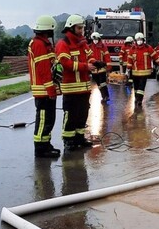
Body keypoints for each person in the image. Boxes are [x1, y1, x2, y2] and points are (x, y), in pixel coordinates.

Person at [55, 14, 105, 149]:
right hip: (70, 87)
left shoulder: (82, 43)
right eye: (79, 28)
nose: (81, 31)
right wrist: (85, 67)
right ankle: (68, 140)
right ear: (71, 28)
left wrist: (95, 62)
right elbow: (65, 63)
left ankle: (79, 138)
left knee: (83, 113)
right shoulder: (63, 44)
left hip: (84, 87)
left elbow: (89, 56)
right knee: (70, 115)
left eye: (82, 28)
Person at [27, 15, 62, 158]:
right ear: (49, 29)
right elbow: (43, 69)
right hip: (43, 90)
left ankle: (46, 144)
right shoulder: (39, 44)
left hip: (46, 89)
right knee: (43, 120)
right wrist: (50, 89)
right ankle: (40, 149)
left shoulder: (44, 43)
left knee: (49, 119)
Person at [126, 32, 159, 108]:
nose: (139, 41)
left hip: (144, 72)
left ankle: (139, 100)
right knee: (136, 87)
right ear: (135, 40)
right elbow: (129, 61)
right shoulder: (132, 49)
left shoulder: (148, 48)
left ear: (143, 40)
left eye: (141, 39)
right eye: (138, 39)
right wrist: (128, 70)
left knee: (141, 87)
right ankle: (136, 98)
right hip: (135, 72)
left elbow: (154, 56)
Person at [88, 31, 111, 103]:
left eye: (96, 39)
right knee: (99, 84)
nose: (95, 41)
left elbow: (107, 57)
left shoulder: (103, 47)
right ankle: (104, 96)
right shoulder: (89, 47)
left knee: (103, 83)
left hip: (102, 69)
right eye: (94, 39)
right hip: (94, 69)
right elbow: (88, 58)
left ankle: (106, 96)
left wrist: (108, 66)